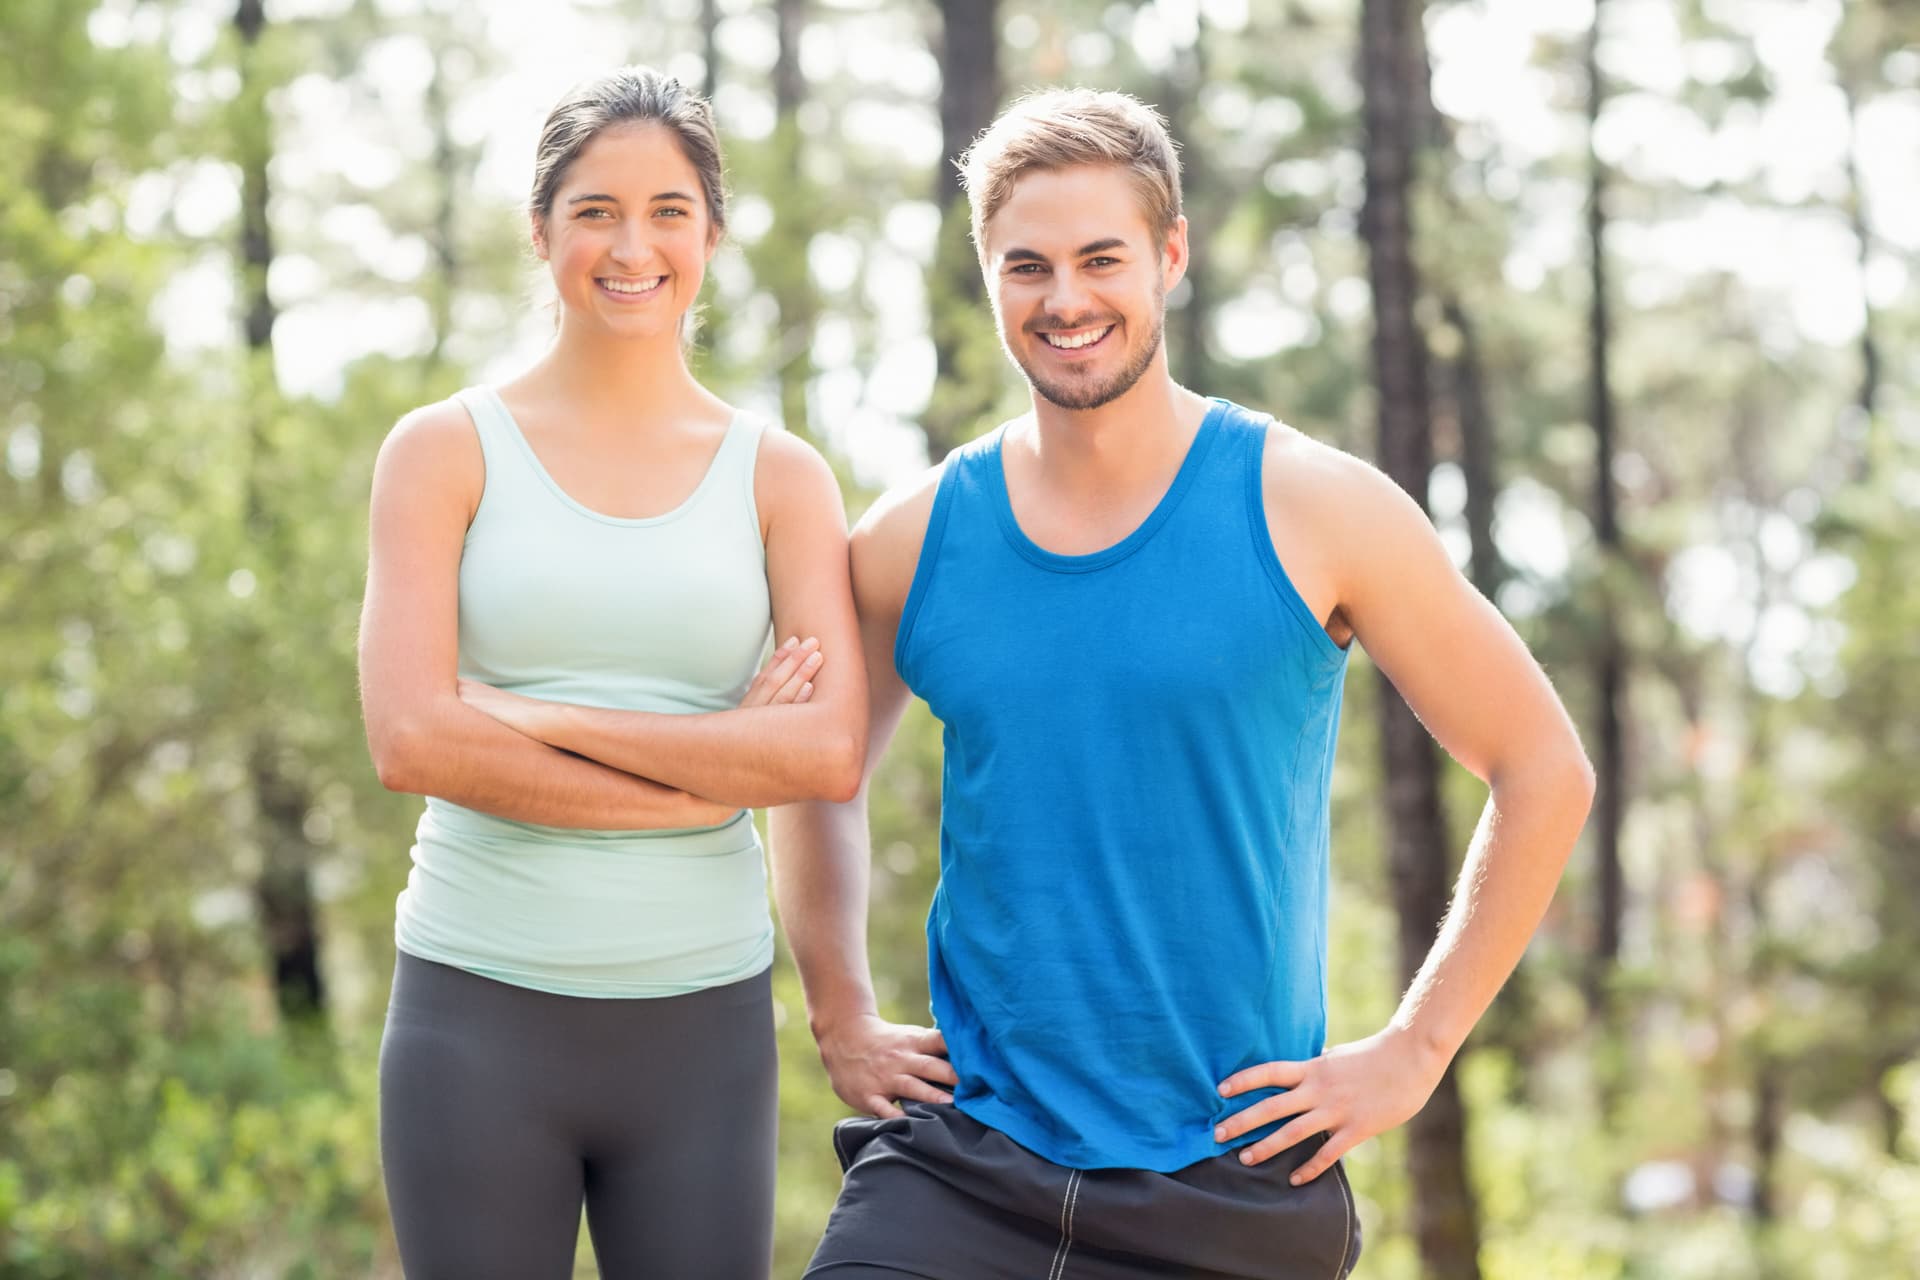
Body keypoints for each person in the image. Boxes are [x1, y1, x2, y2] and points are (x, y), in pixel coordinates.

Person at [776, 88, 1595, 1279]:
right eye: (1028, 266)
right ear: (990, 277)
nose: (1066, 300)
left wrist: (1415, 1049)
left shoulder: (1318, 508)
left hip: (1232, 1182)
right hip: (965, 1169)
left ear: (1170, 254)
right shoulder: (915, 536)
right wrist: (840, 1005)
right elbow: (812, 762)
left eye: (1102, 257)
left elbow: (1542, 767)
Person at [356, 66, 865, 1280]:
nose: (632, 246)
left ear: (713, 234)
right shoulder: (441, 452)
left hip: (703, 1024)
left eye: (668, 210)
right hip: (474, 1009)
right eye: (595, 210)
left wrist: (532, 717)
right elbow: (413, 741)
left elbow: (826, 750)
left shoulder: (780, 477)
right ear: (541, 231)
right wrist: (713, 775)